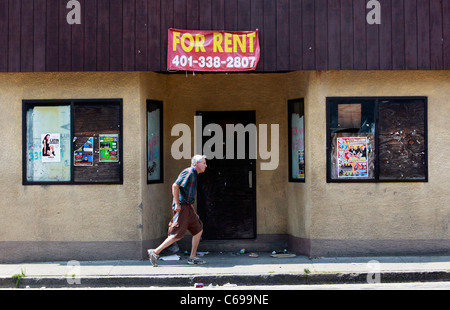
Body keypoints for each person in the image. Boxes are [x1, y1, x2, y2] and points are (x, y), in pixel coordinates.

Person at [148, 155, 207, 266]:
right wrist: (177, 204)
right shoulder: (189, 173)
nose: (205, 165)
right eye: (204, 163)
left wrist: (192, 210)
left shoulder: (194, 174)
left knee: (198, 230)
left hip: (187, 206)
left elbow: (186, 194)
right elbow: (175, 186)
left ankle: (192, 257)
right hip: (182, 206)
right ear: (196, 164)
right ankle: (155, 252)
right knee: (177, 234)